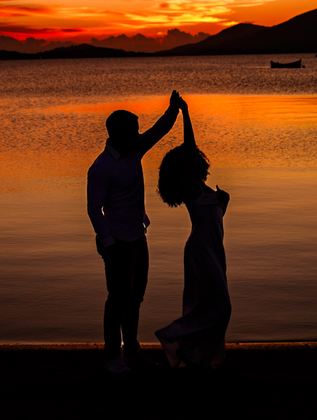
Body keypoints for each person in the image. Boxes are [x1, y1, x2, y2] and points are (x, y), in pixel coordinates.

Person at [87, 90, 183, 374]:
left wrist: (173, 110)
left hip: (138, 238)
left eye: (136, 131)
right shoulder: (101, 168)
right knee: (116, 300)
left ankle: (131, 352)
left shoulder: (134, 150)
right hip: (117, 242)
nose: (137, 135)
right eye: (132, 131)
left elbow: (158, 131)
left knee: (135, 298)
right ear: (116, 133)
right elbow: (94, 210)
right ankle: (112, 359)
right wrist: (108, 243)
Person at [154, 96, 231, 368]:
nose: (197, 157)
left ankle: (194, 355)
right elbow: (189, 146)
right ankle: (174, 338)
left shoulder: (203, 188)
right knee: (221, 307)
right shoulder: (193, 190)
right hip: (201, 251)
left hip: (214, 250)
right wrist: (184, 113)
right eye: (191, 159)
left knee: (208, 306)